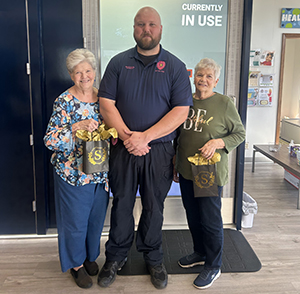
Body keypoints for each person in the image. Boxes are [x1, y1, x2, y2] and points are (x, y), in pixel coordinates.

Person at [97, 6, 192, 290]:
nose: (146, 29)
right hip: (123, 150)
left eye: (151, 25)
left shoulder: (175, 66)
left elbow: (181, 111)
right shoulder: (117, 63)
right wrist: (129, 138)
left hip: (160, 151)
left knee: (154, 206)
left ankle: (153, 257)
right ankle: (115, 257)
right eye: (140, 25)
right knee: (122, 204)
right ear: (133, 29)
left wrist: (145, 137)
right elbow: (106, 104)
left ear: (160, 29)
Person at [174, 58, 245, 290]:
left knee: (210, 220)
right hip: (186, 170)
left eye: (208, 76)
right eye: (200, 75)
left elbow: (239, 133)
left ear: (216, 80)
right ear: (194, 77)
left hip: (208, 173)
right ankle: (200, 253)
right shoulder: (186, 100)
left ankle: (214, 265)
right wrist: (175, 161)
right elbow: (180, 135)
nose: (203, 80)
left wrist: (218, 142)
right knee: (193, 216)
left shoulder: (224, 103)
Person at [44, 48, 109, 289]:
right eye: (78, 72)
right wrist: (74, 127)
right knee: (75, 221)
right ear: (71, 75)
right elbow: (49, 140)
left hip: (100, 172)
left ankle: (90, 257)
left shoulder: (103, 98)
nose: (84, 76)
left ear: (95, 72)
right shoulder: (64, 101)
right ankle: (76, 265)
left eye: (88, 71)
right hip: (73, 174)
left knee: (95, 219)